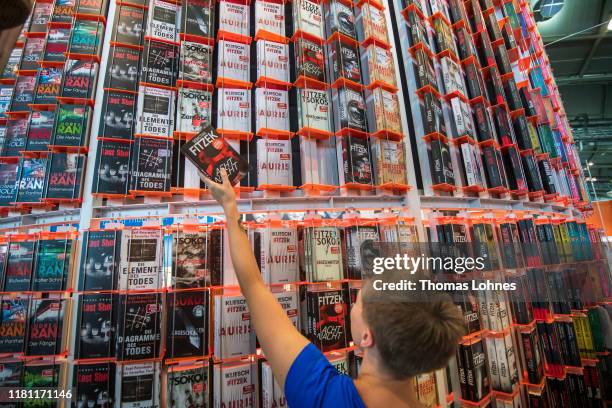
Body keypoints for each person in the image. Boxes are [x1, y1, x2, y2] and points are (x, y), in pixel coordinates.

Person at [202, 169, 465, 408]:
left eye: (360, 302)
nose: (353, 306)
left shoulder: (322, 395)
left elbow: (253, 287)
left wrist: (230, 207)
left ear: (367, 337)